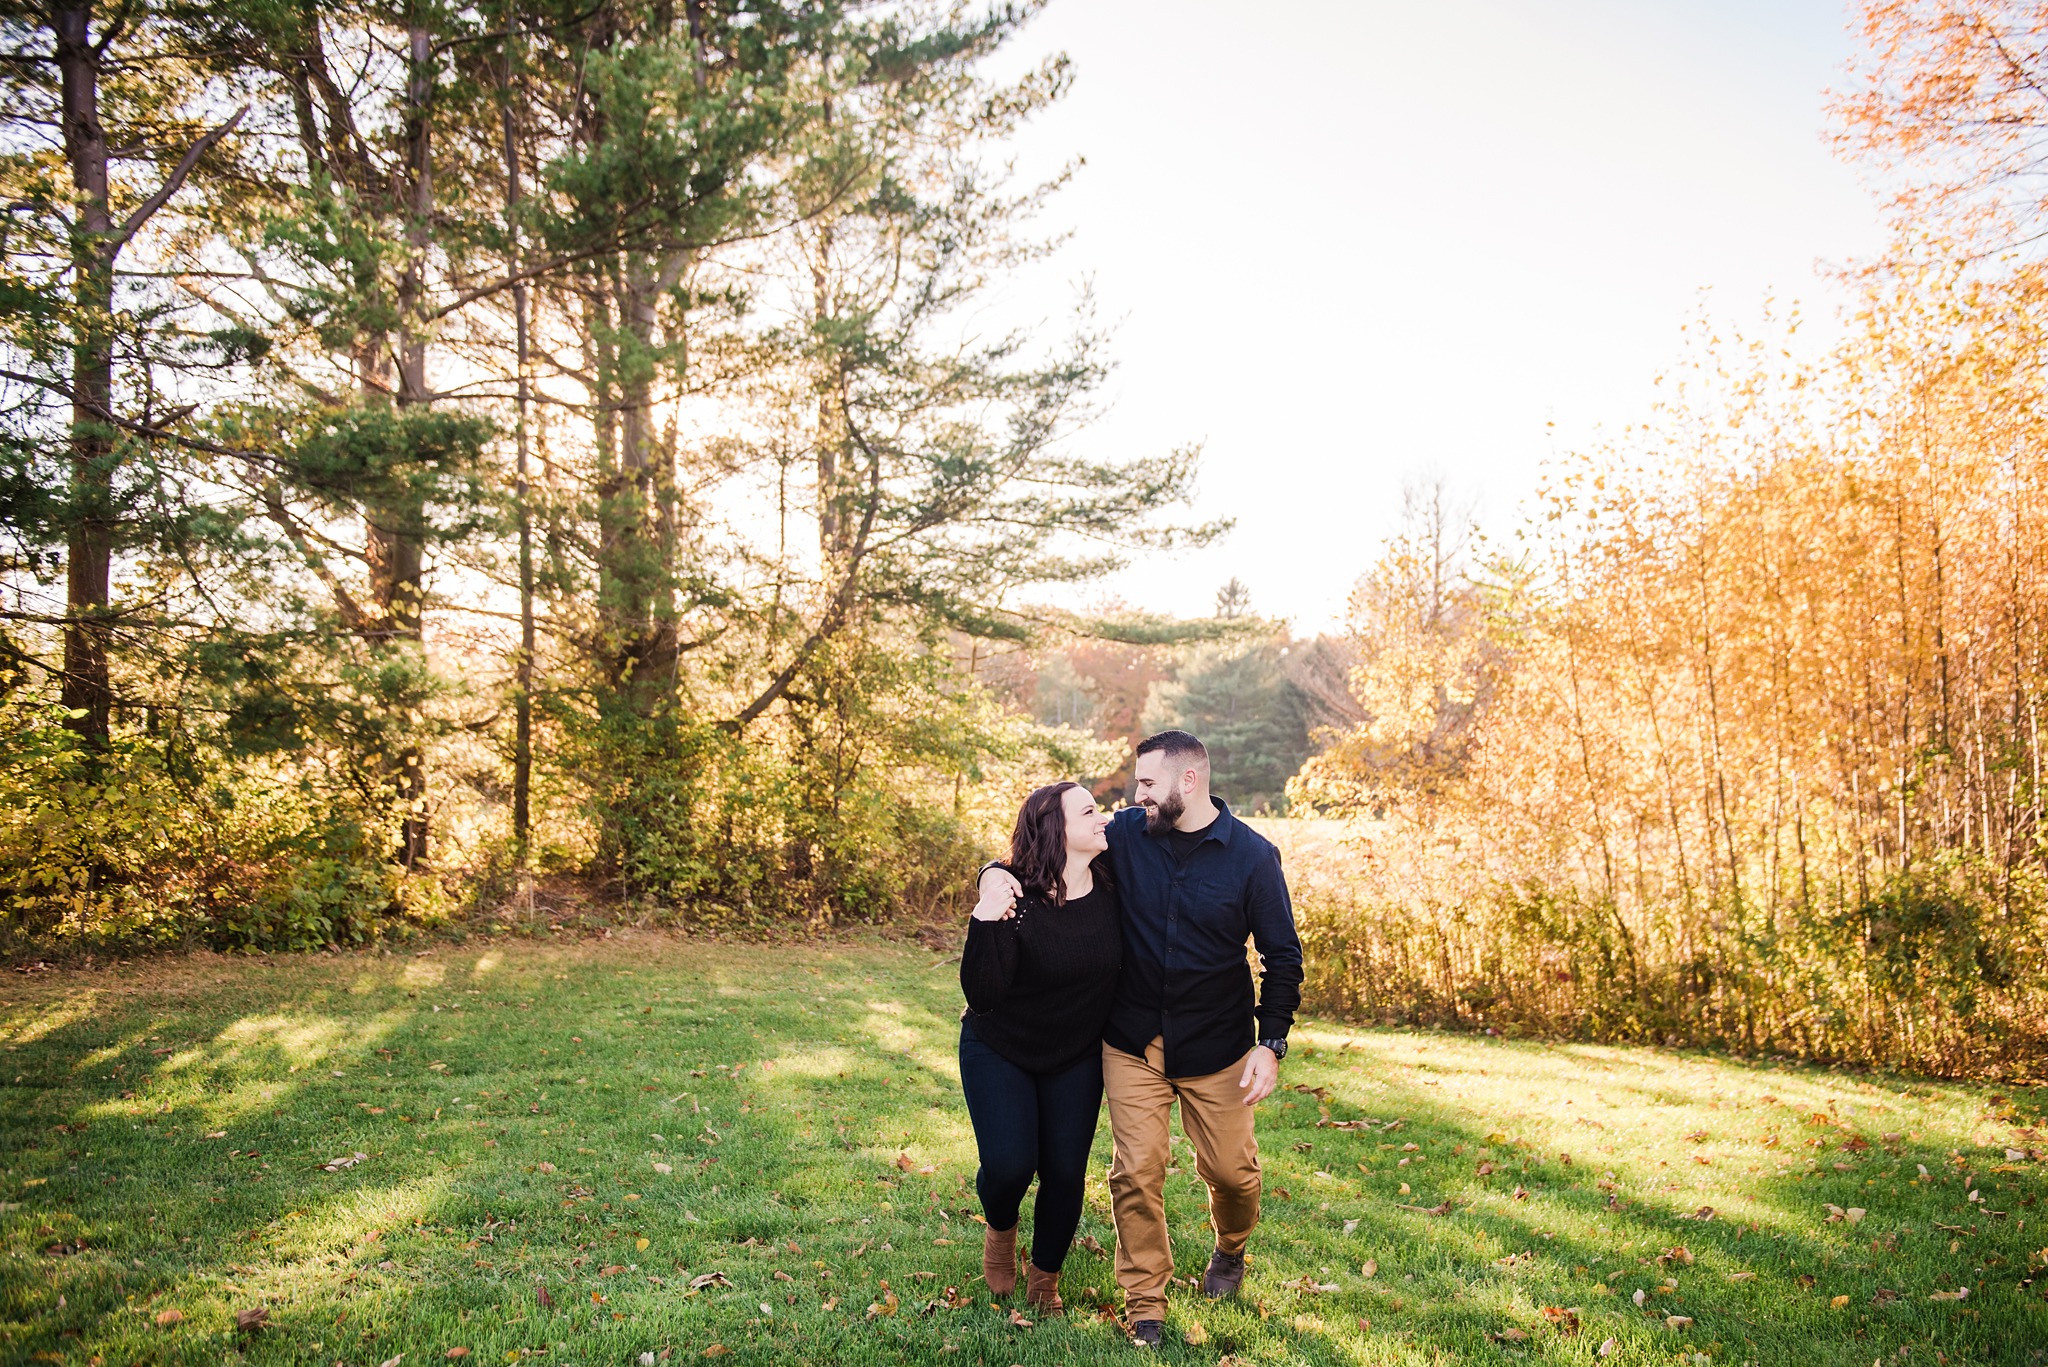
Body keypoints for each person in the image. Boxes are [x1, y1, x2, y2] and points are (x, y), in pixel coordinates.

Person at [977, 729, 1302, 1347]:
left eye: (1148, 784)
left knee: (1232, 1174)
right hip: (1131, 1041)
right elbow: (1041, 849)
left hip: (1218, 1045)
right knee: (1137, 1171)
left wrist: (1271, 1042)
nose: (1136, 795)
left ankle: (1230, 1249)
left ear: (1189, 782)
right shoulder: (1125, 835)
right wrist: (990, 876)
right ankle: (1145, 1302)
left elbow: (1282, 957)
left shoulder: (1254, 859)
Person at [958, 781, 1122, 1314]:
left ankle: (1045, 1278)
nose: (1104, 819)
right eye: (1090, 811)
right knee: (1008, 1167)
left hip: (1075, 1053)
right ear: (1056, 828)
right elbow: (982, 996)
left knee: (1065, 1172)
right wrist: (985, 912)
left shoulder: (1114, 879)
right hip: (999, 1044)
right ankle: (1000, 1233)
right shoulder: (1015, 899)